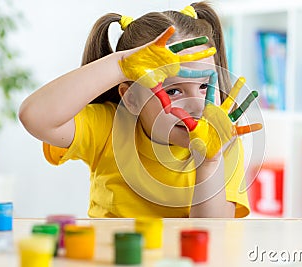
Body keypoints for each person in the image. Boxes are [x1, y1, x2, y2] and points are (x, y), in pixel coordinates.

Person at [19, 2, 262, 218]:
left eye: (204, 86)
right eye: (173, 91)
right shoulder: (108, 127)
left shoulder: (223, 142)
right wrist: (120, 65)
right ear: (132, 99)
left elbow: (212, 238)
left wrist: (209, 162)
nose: (197, 105)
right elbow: (34, 116)